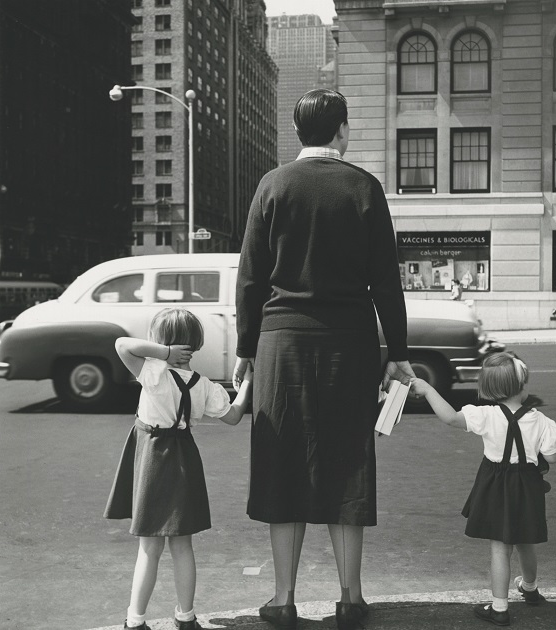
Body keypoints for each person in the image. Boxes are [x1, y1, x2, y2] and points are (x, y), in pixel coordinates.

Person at [233, 88, 414, 630]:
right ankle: (350, 598)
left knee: (282, 462)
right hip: (349, 343)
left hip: (281, 342)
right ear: (341, 131)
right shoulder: (364, 188)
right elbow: (386, 279)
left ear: (297, 133)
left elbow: (249, 277)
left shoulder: (273, 185)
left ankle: (283, 599)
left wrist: (246, 350)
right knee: (347, 464)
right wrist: (398, 353)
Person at [104, 307, 253, 630]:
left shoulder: (153, 372)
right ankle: (185, 617)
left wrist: (163, 353)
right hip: (184, 457)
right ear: (195, 344)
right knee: (183, 545)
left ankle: (135, 619)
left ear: (162, 343)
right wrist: (246, 384)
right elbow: (232, 416)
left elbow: (121, 344)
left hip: (153, 457)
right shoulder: (204, 386)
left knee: (149, 547)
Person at [409, 352, 556, 627]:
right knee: (526, 541)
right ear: (522, 384)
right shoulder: (542, 421)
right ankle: (530, 588)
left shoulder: (486, 415)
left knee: (500, 548)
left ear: (490, 389)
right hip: (528, 485)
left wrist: (429, 389)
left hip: (496, 484)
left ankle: (500, 607)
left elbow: (451, 418)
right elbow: (552, 457)